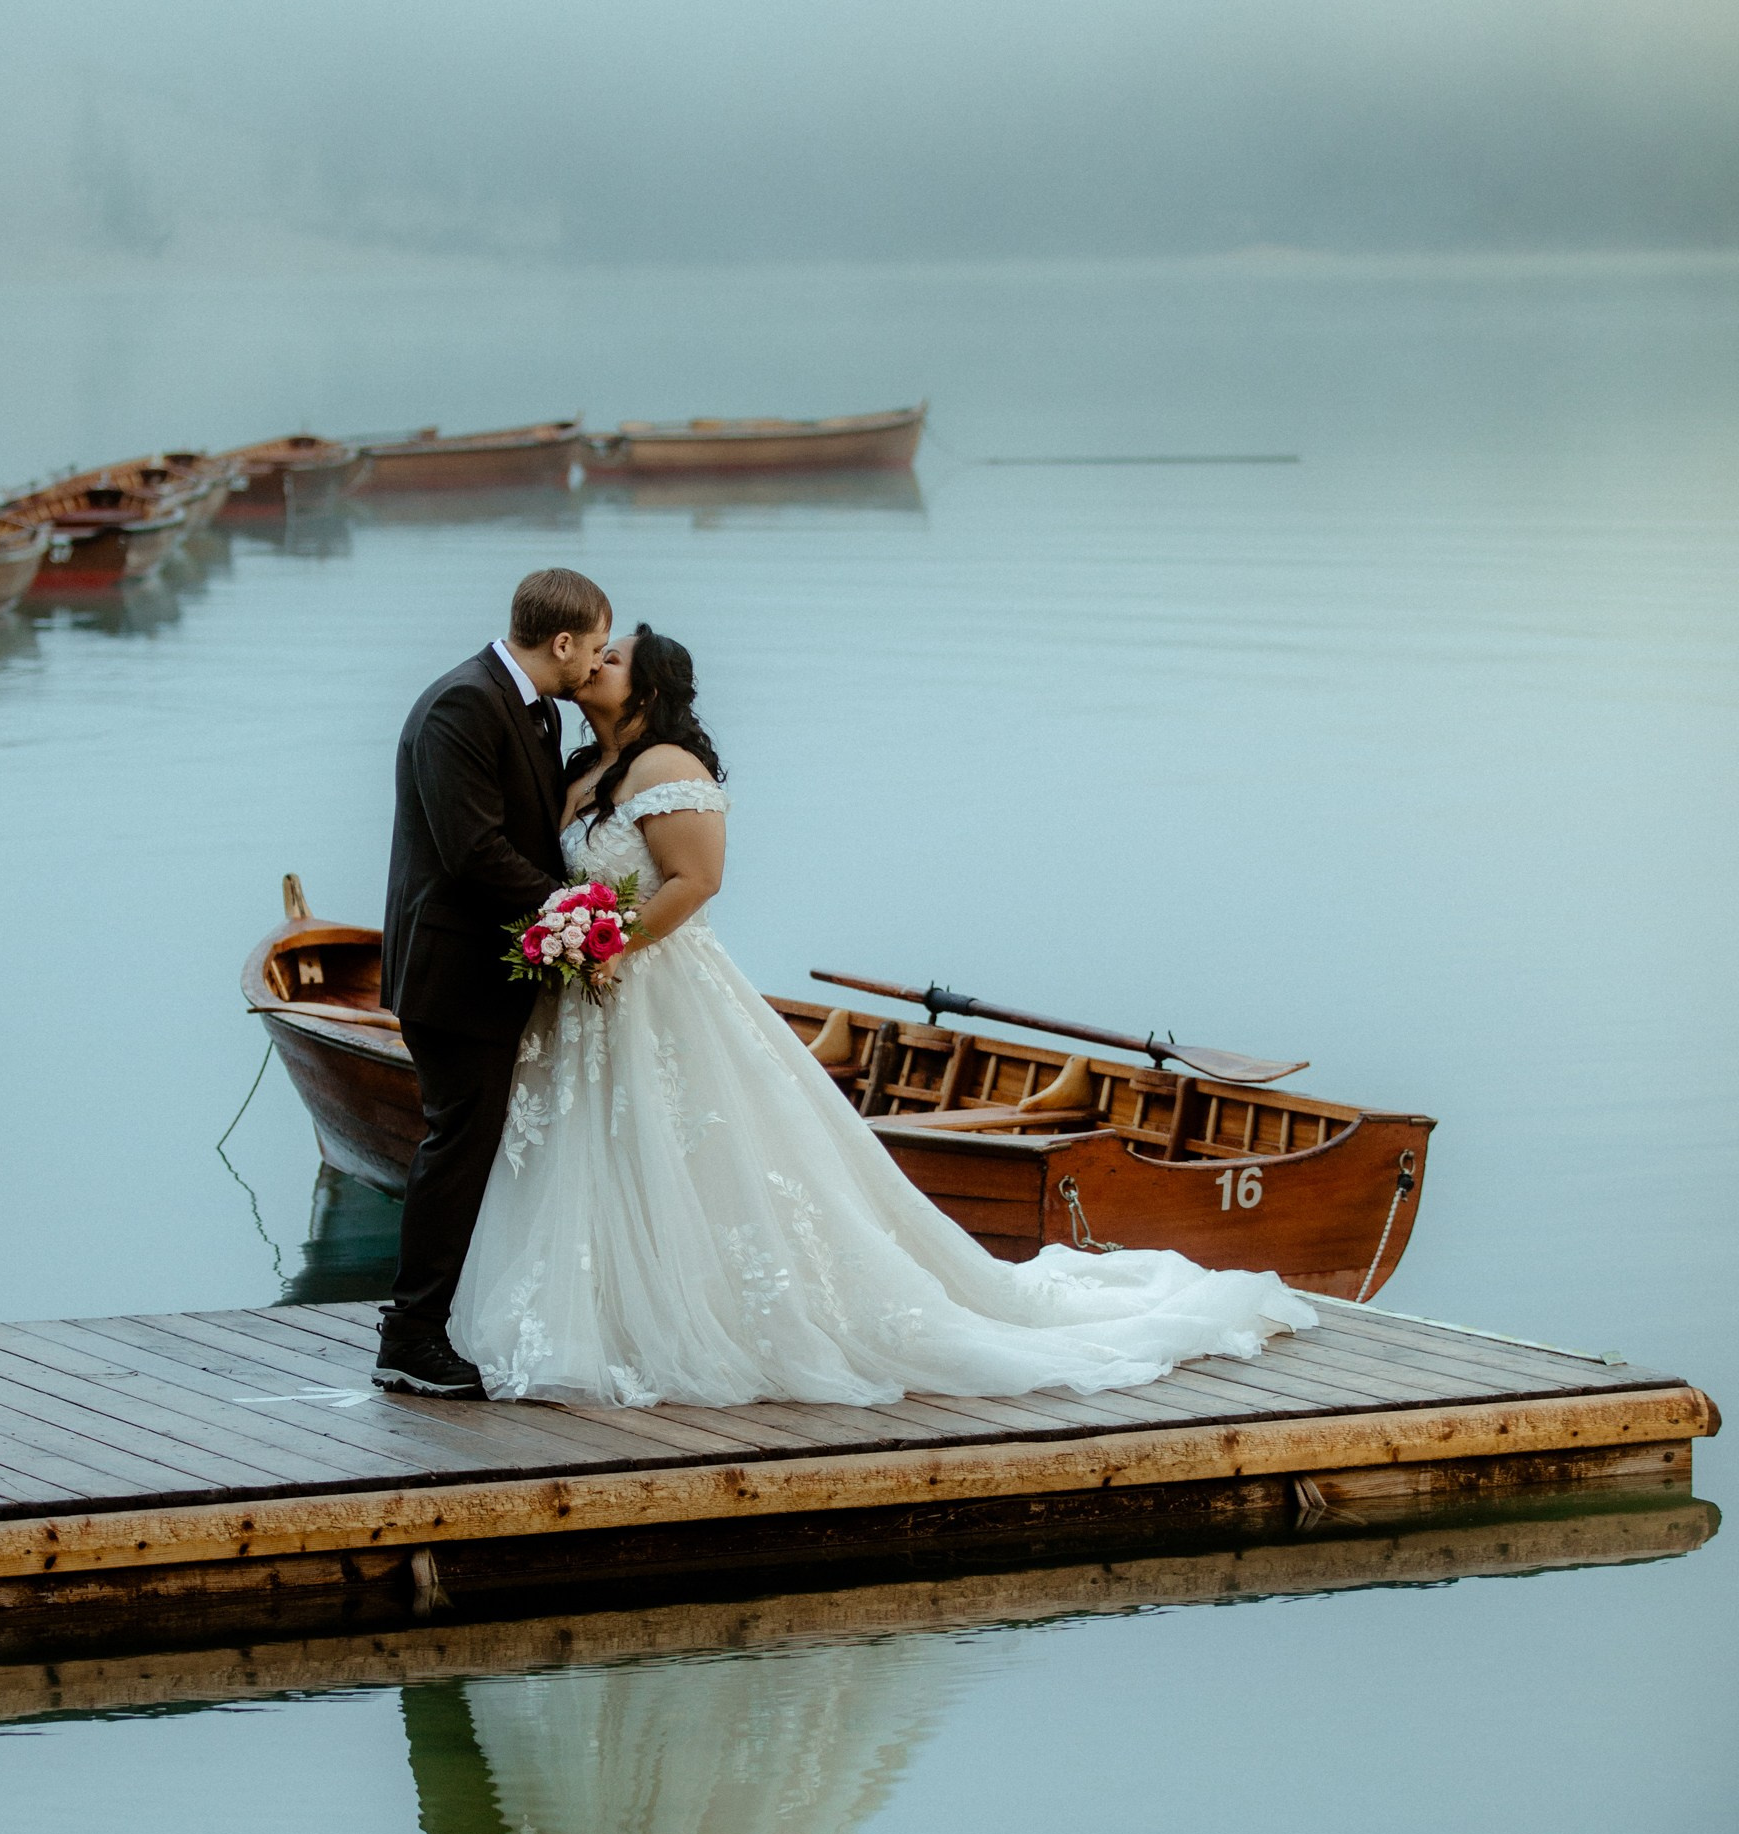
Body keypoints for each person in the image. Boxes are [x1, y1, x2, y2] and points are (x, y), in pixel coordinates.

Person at [449, 622, 1317, 1406]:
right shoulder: (583, 770)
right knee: (598, 1151)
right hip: (592, 1001)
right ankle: (601, 1310)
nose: (596, 660)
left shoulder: (670, 769)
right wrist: (574, 941)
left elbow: (698, 883)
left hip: (656, 987)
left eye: (615, 656)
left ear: (649, 687)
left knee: (694, 1146)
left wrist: (605, 942)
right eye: (595, 651)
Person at [376, 567, 613, 1395]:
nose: (597, 664)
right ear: (561, 642)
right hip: (450, 970)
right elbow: (471, 850)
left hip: (495, 969)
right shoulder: (462, 705)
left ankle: (441, 1321)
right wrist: (575, 912)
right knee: (458, 1142)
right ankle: (409, 1336)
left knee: (472, 1141)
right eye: (594, 648)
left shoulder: (536, 709)